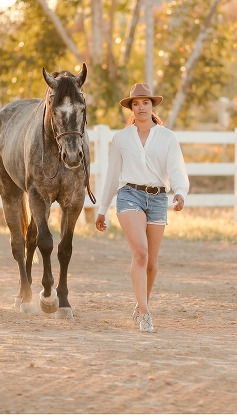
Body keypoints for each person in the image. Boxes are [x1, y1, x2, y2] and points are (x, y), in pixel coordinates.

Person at [95, 83, 189, 332]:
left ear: (152, 105)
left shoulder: (167, 137)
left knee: (151, 264)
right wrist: (102, 209)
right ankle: (145, 313)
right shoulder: (121, 138)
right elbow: (113, 174)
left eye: (145, 103)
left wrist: (179, 192)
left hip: (158, 198)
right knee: (140, 253)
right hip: (129, 196)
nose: (140, 108)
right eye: (135, 104)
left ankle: (139, 305)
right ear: (131, 108)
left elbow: (177, 169)